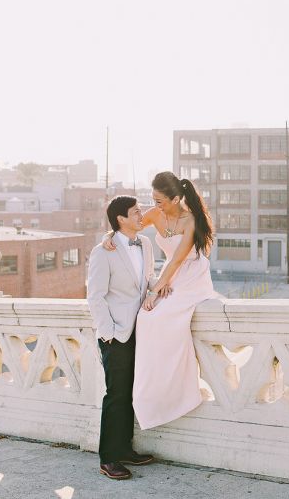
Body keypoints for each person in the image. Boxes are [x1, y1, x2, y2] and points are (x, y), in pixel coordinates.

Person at [102, 171, 215, 430]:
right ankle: (151, 392)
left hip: (191, 275)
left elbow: (176, 260)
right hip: (170, 275)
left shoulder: (191, 221)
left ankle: (177, 392)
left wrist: (154, 292)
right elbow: (128, 228)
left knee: (159, 317)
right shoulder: (156, 215)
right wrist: (108, 237)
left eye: (160, 201)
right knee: (146, 319)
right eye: (153, 200)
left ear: (176, 199)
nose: (154, 207)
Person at [87, 195, 162, 479]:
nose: (142, 216)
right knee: (116, 395)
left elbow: (148, 276)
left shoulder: (144, 243)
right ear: (121, 219)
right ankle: (108, 458)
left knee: (132, 392)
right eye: (136, 212)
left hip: (141, 330)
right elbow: (95, 297)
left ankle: (125, 449)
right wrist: (108, 334)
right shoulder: (102, 251)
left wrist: (160, 286)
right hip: (116, 334)